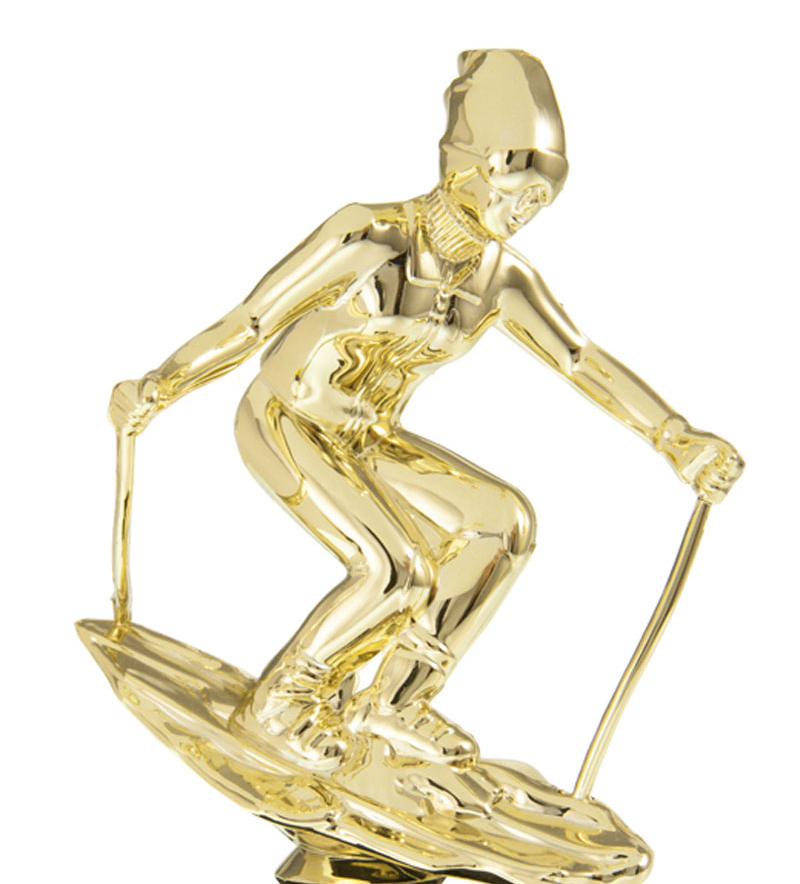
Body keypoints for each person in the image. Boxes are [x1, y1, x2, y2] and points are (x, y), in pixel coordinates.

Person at [108, 49, 743, 772]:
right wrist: (161, 384)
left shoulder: (501, 279)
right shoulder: (370, 236)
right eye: (516, 188)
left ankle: (395, 701)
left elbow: (579, 359)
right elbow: (254, 319)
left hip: (371, 439)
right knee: (397, 569)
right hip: (286, 421)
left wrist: (676, 437)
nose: (525, 212)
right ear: (467, 166)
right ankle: (282, 703)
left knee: (503, 524)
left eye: (541, 200)